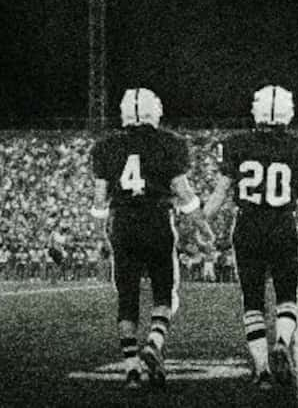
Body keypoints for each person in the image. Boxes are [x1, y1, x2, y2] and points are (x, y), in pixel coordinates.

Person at [204, 85, 298, 389]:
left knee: (252, 301)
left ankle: (262, 368)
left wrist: (199, 222)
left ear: (256, 110)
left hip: (247, 226)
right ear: (288, 112)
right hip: (282, 225)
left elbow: (219, 195)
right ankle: (282, 342)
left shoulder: (235, 145)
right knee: (287, 295)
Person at [90, 87, 215, 391]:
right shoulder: (169, 143)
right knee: (165, 293)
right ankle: (155, 342)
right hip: (157, 220)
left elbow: (99, 200)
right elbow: (183, 193)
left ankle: (131, 367)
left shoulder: (105, 146)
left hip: (122, 223)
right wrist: (201, 225)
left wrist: (99, 234)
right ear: (153, 111)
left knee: (127, 298)